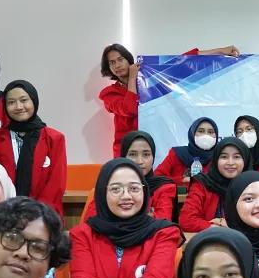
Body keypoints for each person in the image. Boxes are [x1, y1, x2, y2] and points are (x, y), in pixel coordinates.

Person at [70, 159, 181, 278]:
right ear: (103, 193)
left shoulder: (164, 233)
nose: (126, 196)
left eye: (134, 189)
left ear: (144, 191)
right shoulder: (82, 234)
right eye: (116, 189)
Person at [99, 43, 240, 156]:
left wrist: (221, 51)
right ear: (108, 68)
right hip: (126, 151)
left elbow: (182, 61)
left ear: (128, 59)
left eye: (120, 59)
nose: (117, 65)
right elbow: (129, 109)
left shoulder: (147, 77)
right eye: (112, 63)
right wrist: (132, 78)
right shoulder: (109, 93)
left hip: (154, 147)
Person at [0, 80, 67, 216]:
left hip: (43, 215)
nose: (18, 106)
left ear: (34, 101)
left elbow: (56, 184)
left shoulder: (54, 138)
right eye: (11, 102)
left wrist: (35, 215)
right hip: (3, 216)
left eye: (24, 100)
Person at [84, 131, 176, 221]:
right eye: (132, 154)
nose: (140, 161)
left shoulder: (163, 187)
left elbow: (162, 221)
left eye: (146, 154)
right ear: (124, 156)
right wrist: (146, 216)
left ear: (153, 157)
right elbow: (90, 220)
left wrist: (116, 216)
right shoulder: (110, 184)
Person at [179, 137, 251, 232]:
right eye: (224, 157)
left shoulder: (252, 184)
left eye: (236, 157)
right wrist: (216, 227)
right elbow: (186, 221)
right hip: (213, 241)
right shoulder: (203, 183)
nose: (230, 162)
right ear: (216, 160)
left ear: (245, 160)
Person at [154, 116, 219, 188]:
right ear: (192, 133)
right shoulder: (176, 154)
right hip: (175, 198)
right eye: (201, 131)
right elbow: (157, 178)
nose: (206, 135)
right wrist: (182, 180)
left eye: (210, 132)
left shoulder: (218, 158)